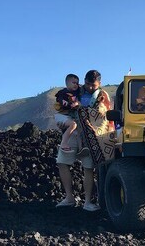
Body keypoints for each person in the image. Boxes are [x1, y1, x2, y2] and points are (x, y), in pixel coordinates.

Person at [55, 70, 112, 212]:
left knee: (88, 167)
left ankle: (87, 202)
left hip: (92, 135)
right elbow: (62, 106)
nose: (90, 87)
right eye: (87, 84)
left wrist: (84, 112)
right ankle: (69, 197)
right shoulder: (75, 91)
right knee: (62, 162)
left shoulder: (103, 95)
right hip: (74, 131)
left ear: (99, 84)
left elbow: (104, 114)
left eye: (93, 85)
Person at [54, 74, 81, 153]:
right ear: (67, 83)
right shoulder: (62, 93)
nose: (76, 84)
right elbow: (61, 101)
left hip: (69, 116)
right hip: (61, 115)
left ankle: (80, 149)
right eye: (73, 83)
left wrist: (77, 104)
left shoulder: (77, 92)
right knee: (73, 125)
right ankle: (63, 143)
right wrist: (67, 104)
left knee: (79, 129)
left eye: (77, 83)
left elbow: (78, 102)